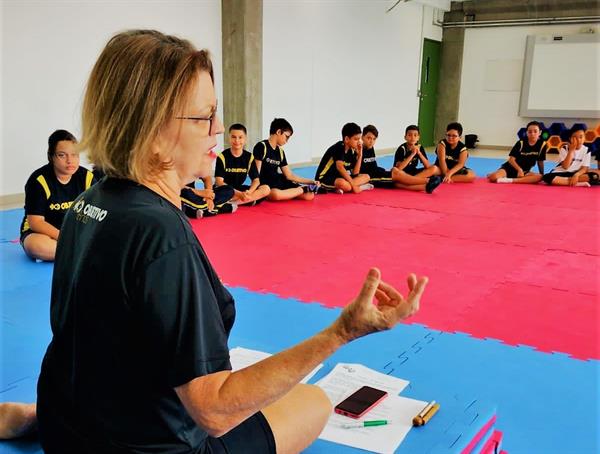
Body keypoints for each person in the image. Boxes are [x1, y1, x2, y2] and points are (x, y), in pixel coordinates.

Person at [22, 30, 429, 454]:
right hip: (142, 444)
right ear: (154, 129)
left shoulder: (90, 201)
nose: (219, 129)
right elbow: (213, 413)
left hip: (65, 424)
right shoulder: (161, 234)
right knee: (313, 401)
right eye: (205, 117)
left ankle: (31, 416)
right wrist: (342, 330)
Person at [19, 129, 95, 261]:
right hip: (43, 233)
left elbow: (97, 213)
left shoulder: (87, 177)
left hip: (75, 234)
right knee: (36, 246)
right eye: (62, 155)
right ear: (51, 157)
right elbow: (35, 222)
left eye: (74, 154)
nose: (69, 161)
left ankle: (74, 253)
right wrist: (65, 237)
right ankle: (82, 254)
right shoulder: (39, 180)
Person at [253, 118, 319, 201]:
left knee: (309, 196)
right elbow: (256, 174)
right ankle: (302, 189)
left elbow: (289, 175)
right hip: (266, 184)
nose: (287, 141)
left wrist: (311, 182)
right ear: (278, 132)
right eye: (286, 137)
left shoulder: (280, 151)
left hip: (278, 181)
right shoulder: (262, 146)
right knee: (275, 195)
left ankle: (299, 190)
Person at [215, 124, 270, 205]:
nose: (237, 140)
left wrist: (249, 192)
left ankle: (233, 203)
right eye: (233, 137)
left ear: (245, 139)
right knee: (218, 194)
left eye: (240, 137)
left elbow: (256, 180)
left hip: (239, 189)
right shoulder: (222, 157)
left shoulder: (249, 157)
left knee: (266, 189)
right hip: (226, 190)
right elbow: (219, 182)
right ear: (229, 138)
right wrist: (239, 194)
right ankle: (246, 201)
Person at [315, 122, 373, 193]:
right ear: (346, 139)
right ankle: (359, 187)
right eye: (356, 139)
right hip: (324, 178)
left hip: (339, 177)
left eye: (359, 139)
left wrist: (360, 155)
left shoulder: (352, 150)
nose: (359, 142)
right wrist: (354, 185)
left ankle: (347, 187)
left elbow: (355, 174)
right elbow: (340, 167)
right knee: (343, 184)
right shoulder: (339, 147)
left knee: (367, 176)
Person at [392, 125, 442, 193]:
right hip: (402, 174)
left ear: (418, 137)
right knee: (396, 183)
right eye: (409, 135)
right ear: (405, 137)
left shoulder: (419, 147)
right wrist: (412, 154)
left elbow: (428, 166)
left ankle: (412, 181)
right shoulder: (402, 149)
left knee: (434, 168)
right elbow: (399, 168)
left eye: (415, 135)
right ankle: (414, 182)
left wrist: (419, 153)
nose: (412, 137)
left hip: (414, 173)